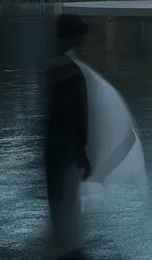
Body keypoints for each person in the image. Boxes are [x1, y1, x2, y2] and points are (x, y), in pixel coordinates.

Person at [44, 14, 91, 260]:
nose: (83, 40)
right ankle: (70, 251)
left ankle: (61, 245)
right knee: (68, 199)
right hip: (67, 146)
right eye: (80, 36)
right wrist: (82, 152)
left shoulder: (51, 64)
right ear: (72, 36)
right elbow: (76, 113)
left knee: (58, 198)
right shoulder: (70, 71)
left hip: (53, 144)